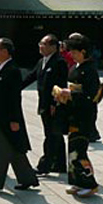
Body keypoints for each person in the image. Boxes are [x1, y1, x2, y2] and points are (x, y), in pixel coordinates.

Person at [0, 38, 38, 193]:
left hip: (7, 119)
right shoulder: (0, 69)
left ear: (5, 51)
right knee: (15, 149)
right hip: (0, 117)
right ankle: (27, 179)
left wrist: (14, 120)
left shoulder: (12, 70)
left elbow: (14, 98)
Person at [53, 34, 101, 198]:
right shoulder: (74, 68)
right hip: (73, 113)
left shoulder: (90, 70)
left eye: (74, 52)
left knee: (80, 150)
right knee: (72, 149)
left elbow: (90, 94)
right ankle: (76, 181)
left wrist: (70, 93)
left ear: (83, 52)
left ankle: (89, 182)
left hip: (84, 114)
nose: (71, 55)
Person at [21, 34, 69, 175]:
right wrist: (15, 87)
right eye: (40, 43)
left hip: (54, 105)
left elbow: (60, 85)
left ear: (53, 47)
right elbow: (30, 77)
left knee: (51, 136)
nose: (40, 46)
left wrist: (55, 103)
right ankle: (59, 165)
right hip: (43, 103)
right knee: (55, 135)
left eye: (44, 44)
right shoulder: (42, 61)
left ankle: (44, 165)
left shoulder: (59, 62)